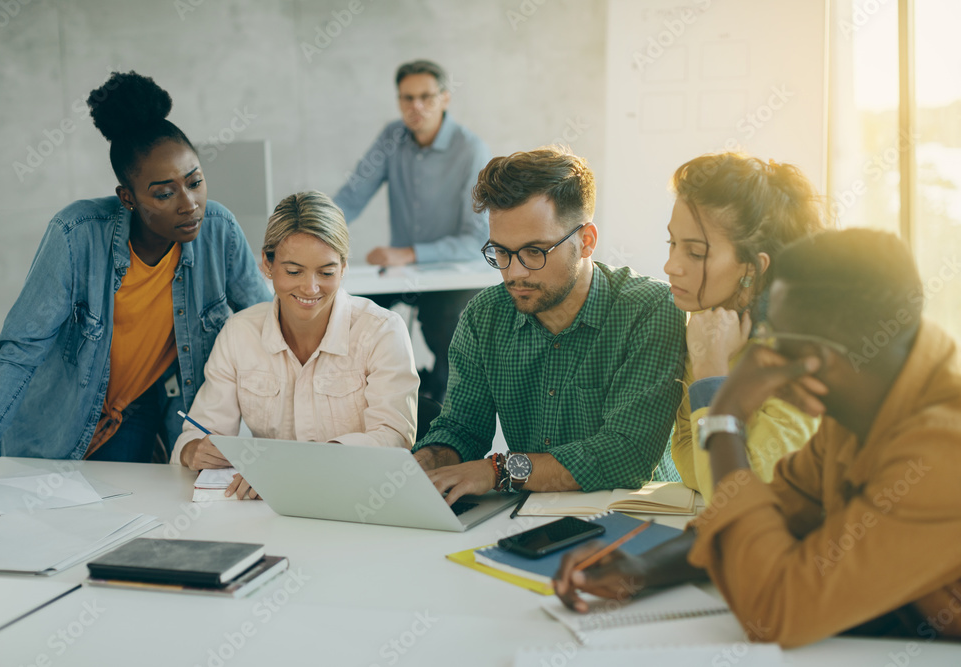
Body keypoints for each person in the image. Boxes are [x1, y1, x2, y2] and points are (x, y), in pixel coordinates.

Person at [554, 229, 961, 647]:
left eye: (774, 339)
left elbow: (777, 612)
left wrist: (725, 416)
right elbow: (775, 510)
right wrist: (644, 568)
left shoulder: (942, 451)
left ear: (813, 362)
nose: (763, 352)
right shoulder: (867, 399)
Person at [0, 71, 270, 479]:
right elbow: (19, 355)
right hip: (59, 416)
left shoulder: (219, 230)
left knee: (127, 522)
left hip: (135, 412)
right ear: (128, 197)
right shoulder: (76, 235)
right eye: (164, 193)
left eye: (195, 182)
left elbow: (270, 327)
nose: (189, 203)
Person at [413, 147, 685, 504]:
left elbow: (625, 455)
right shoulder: (484, 316)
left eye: (534, 252)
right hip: (529, 518)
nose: (515, 272)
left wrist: (499, 470)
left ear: (585, 241)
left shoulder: (651, 310)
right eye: (501, 252)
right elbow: (462, 428)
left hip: (635, 516)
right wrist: (426, 463)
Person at [173, 191, 420, 500]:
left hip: (358, 500)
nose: (310, 287)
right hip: (271, 512)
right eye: (293, 271)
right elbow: (198, 433)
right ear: (266, 263)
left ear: (344, 268)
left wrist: (293, 467)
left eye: (327, 272)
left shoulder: (382, 331)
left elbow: (394, 438)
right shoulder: (239, 333)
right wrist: (194, 450)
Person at [664, 153, 825, 498]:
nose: (670, 266)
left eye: (694, 253)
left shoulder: (801, 354)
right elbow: (690, 462)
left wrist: (710, 374)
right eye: (672, 243)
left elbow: (732, 494)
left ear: (751, 268)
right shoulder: (708, 325)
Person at [333, 59, 491, 403]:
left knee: (442, 322)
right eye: (406, 98)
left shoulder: (471, 150)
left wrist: (409, 252)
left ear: (445, 98)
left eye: (425, 97)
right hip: (400, 274)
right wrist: (307, 234)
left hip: (452, 274)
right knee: (352, 312)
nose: (415, 106)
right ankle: (366, 399)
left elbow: (477, 239)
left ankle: (445, 405)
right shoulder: (393, 137)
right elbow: (352, 196)